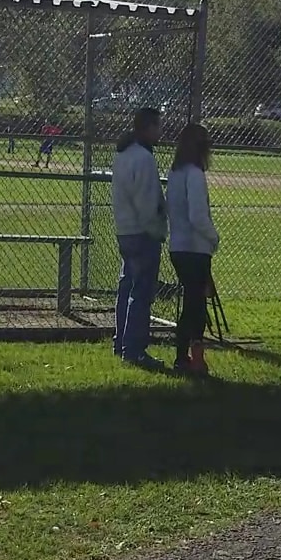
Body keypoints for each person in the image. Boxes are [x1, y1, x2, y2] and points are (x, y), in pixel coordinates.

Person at [111, 105, 167, 369]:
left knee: (126, 287)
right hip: (141, 231)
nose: (160, 132)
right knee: (141, 292)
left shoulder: (123, 154)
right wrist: (157, 229)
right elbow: (146, 202)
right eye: (158, 126)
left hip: (124, 229)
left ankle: (121, 342)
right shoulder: (144, 158)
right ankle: (134, 350)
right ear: (148, 128)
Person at [166, 122, 220, 376]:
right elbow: (198, 215)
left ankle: (183, 355)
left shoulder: (175, 172)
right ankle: (194, 357)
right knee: (196, 306)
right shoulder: (195, 174)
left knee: (191, 302)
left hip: (178, 245)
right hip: (195, 247)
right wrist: (213, 237)